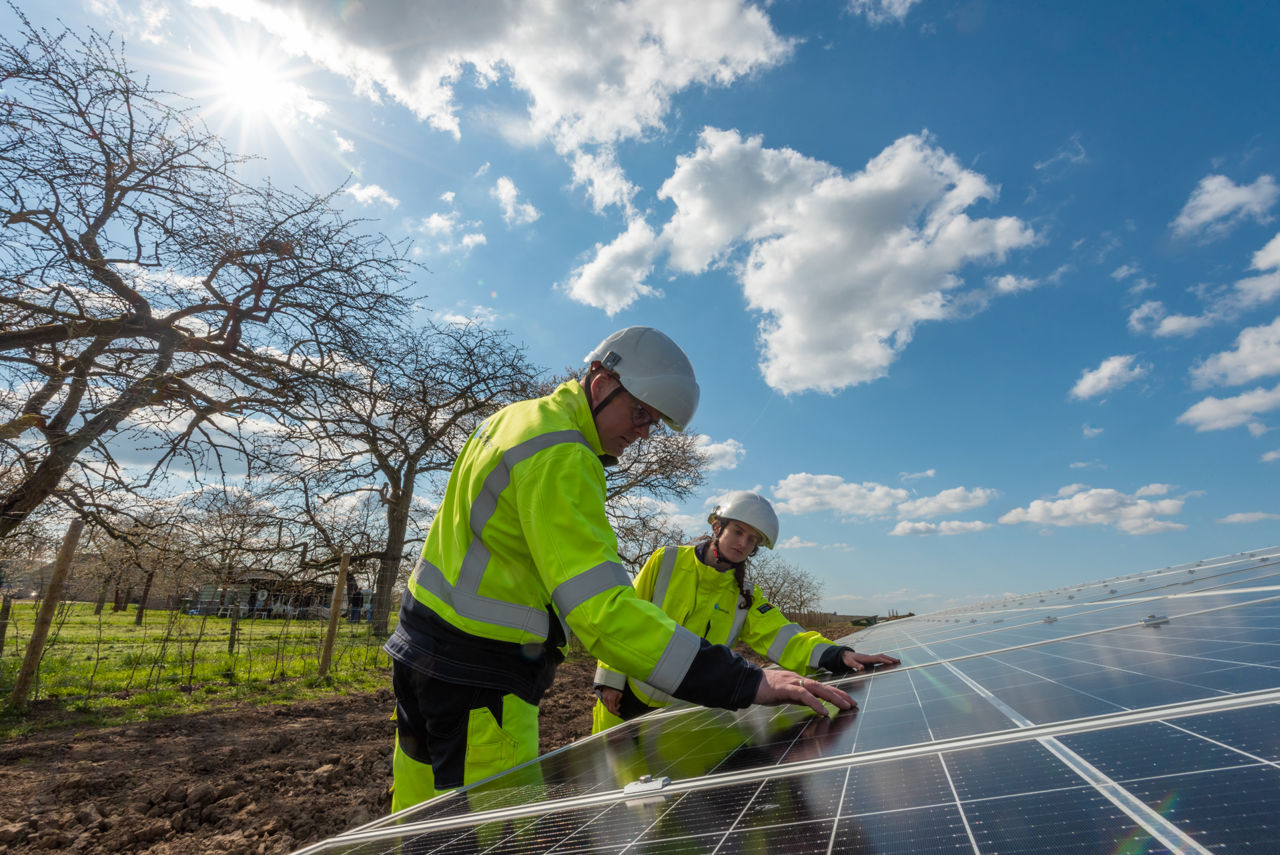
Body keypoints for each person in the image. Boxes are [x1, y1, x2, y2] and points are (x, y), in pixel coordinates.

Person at [383, 327, 854, 813]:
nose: (643, 431)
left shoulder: (518, 419)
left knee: (420, 812)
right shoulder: (564, 455)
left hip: (423, 649)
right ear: (601, 382)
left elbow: (775, 631)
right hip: (480, 673)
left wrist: (833, 655)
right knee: (495, 828)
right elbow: (604, 609)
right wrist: (745, 682)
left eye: (651, 421)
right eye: (639, 413)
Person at [592, 491, 901, 733]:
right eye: (738, 532)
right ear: (717, 527)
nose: (743, 544)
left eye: (752, 539)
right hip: (623, 704)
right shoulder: (667, 560)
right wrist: (609, 680)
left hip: (682, 712)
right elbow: (623, 617)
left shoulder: (745, 593)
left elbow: (782, 635)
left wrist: (838, 655)